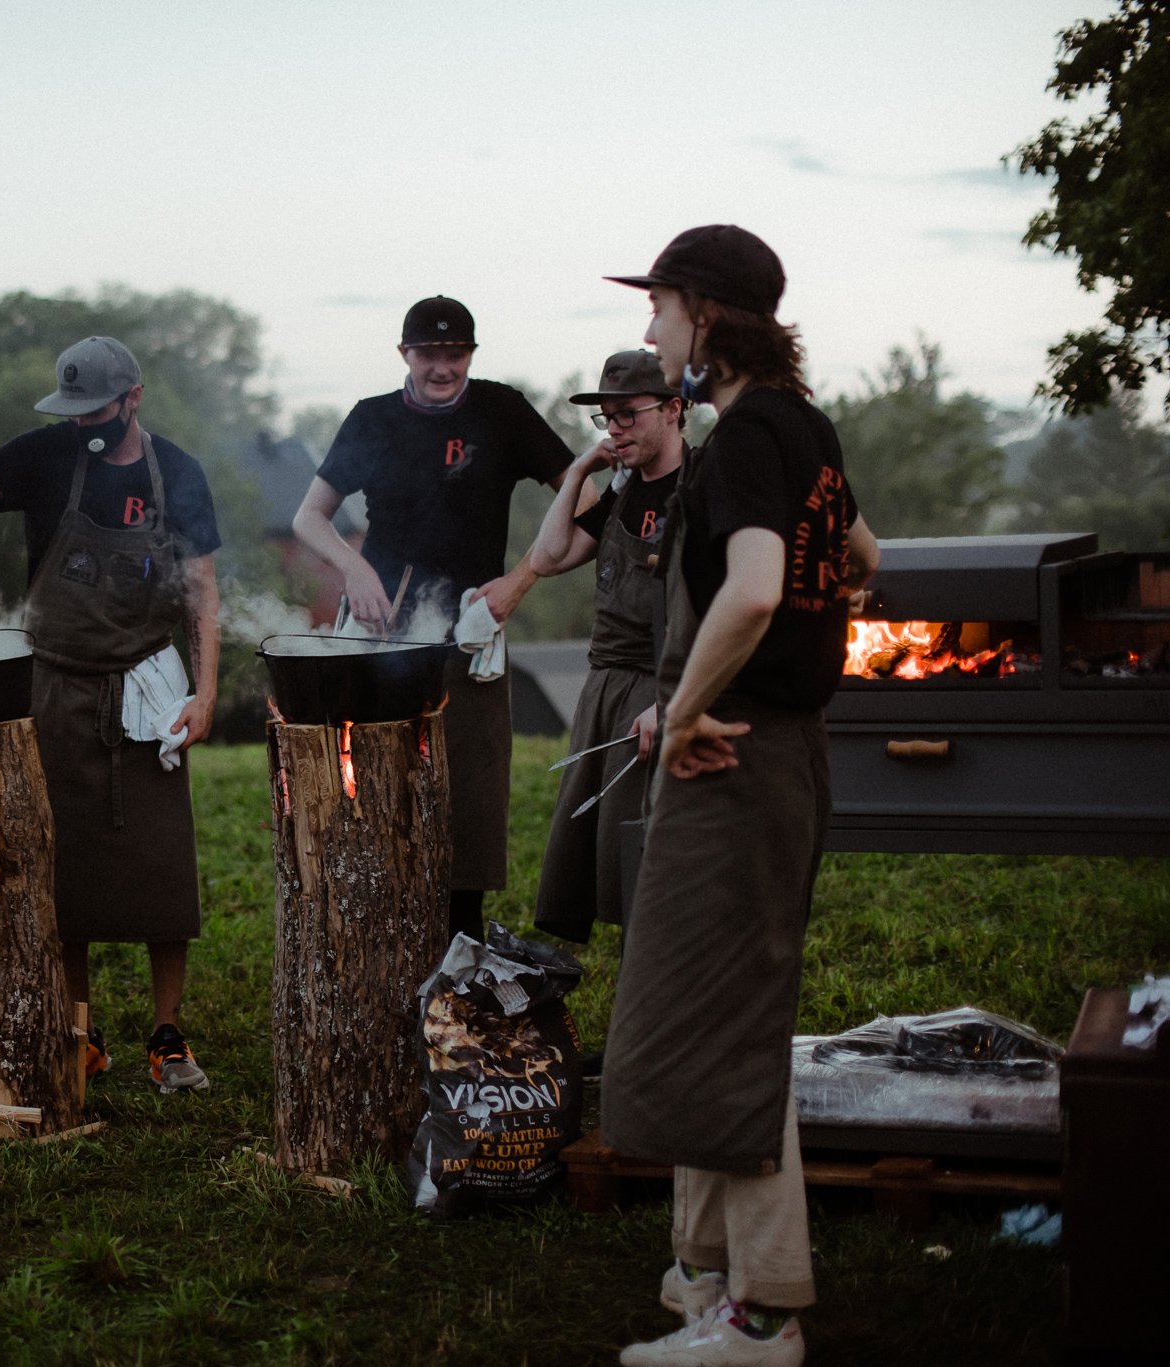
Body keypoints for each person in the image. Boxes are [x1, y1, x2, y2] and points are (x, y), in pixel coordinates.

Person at [598, 226, 879, 1367]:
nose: (648, 329)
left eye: (658, 306)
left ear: (704, 316)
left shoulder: (752, 430)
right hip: (767, 745)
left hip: (736, 761)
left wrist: (692, 708)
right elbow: (862, 554)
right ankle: (706, 1277)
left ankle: (763, 1314)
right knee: (698, 1013)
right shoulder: (800, 428)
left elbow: (760, 586)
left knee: (724, 1026)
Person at [0, 336, 221, 1093]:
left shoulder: (179, 475)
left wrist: (205, 692)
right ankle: (80, 1032)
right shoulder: (46, 454)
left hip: (149, 689)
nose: (85, 424)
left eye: (97, 409)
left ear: (133, 398)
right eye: (73, 411)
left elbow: (202, 593)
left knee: (165, 871)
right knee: (60, 871)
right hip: (55, 688)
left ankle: (167, 1034)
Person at [291, 296, 574, 943]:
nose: (442, 367)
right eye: (429, 354)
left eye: (455, 354)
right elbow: (310, 516)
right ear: (404, 355)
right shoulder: (373, 418)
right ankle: (374, 946)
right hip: (381, 639)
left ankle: (460, 957)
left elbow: (580, 496)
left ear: (471, 355)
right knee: (372, 803)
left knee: (468, 809)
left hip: (469, 640)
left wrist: (521, 580)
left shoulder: (502, 411)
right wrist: (356, 568)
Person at [529, 350, 686, 944]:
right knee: (594, 852)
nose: (616, 429)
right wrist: (578, 474)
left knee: (643, 858)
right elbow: (547, 558)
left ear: (672, 410)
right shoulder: (622, 492)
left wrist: (669, 700)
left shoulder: (698, 490)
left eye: (629, 415)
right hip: (604, 688)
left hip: (656, 687)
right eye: (608, 419)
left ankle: (653, 1005)